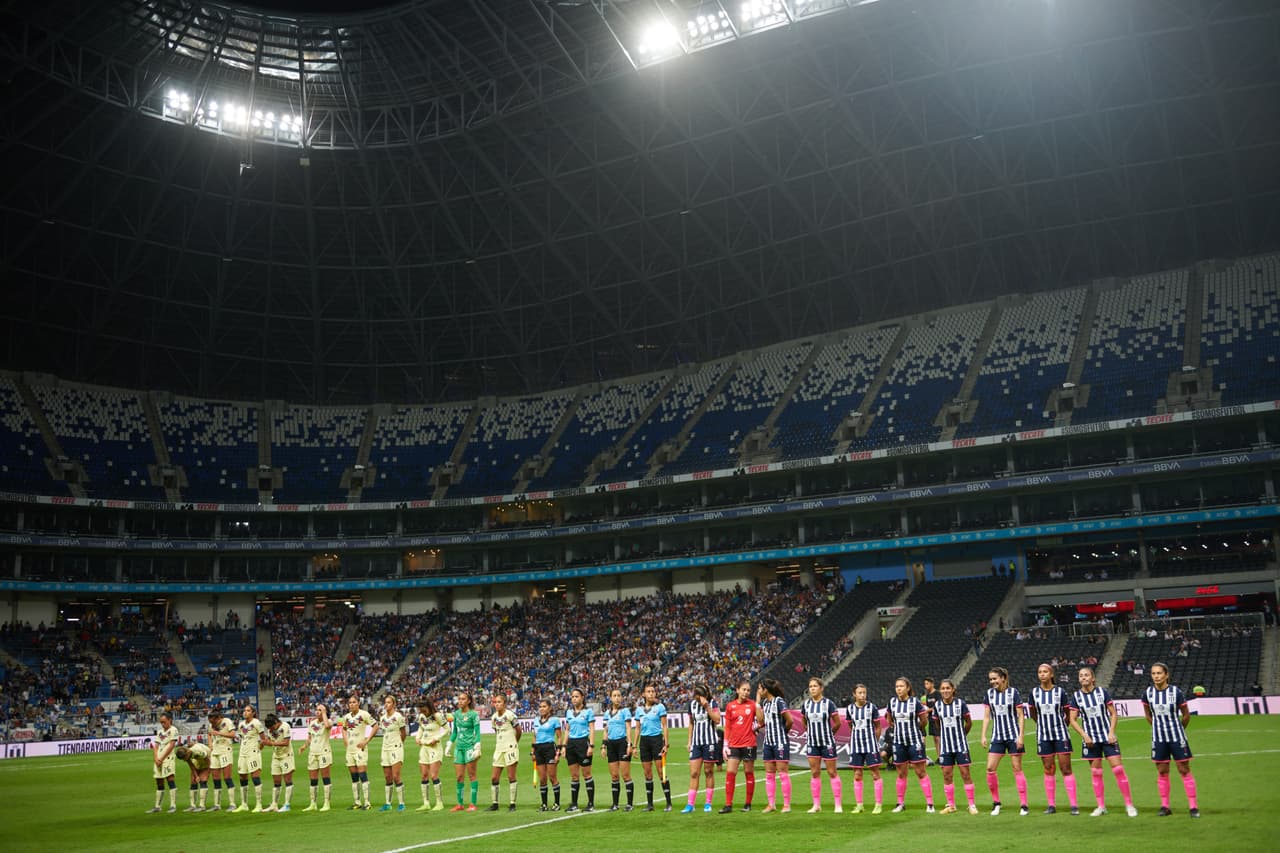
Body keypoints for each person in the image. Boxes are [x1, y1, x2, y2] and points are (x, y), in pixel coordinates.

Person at [1068, 666, 1136, 817]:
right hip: (1090, 740)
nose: (1083, 677)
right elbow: (1072, 719)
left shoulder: (1102, 692)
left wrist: (1111, 732)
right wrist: (1084, 736)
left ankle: (1129, 805)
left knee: (1118, 769)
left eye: (1086, 675)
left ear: (1093, 678)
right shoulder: (1076, 697)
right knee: (1096, 773)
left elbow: (1113, 713)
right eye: (1081, 675)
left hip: (1107, 738)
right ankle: (1101, 806)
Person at [1142, 662, 1200, 818]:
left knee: (1184, 769)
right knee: (1162, 771)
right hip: (1159, 738)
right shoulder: (1148, 693)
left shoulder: (1176, 692)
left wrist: (1179, 729)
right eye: (1153, 673)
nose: (1156, 676)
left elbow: (1186, 715)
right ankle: (1165, 806)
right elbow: (1147, 714)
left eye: (1159, 673)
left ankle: (1193, 807)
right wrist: (1156, 727)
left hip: (1176, 737)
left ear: (1166, 675)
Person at [1030, 663, 1078, 815]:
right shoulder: (1034, 693)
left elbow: (1067, 712)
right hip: (1043, 736)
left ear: (1051, 674)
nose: (1042, 674)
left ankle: (1074, 805)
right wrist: (1042, 725)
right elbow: (1033, 713)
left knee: (1066, 768)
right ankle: (1051, 805)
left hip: (1060, 734)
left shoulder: (1060, 692)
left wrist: (1062, 726)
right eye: (1040, 672)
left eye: (1045, 671)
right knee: (1048, 769)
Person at [980, 666, 1029, 816]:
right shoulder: (989, 694)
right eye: (990, 679)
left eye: (995, 678)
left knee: (1016, 768)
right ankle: (996, 803)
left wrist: (1021, 736)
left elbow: (1020, 715)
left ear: (1003, 678)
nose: (992, 681)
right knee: (990, 768)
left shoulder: (1013, 693)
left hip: (1013, 735)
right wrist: (983, 735)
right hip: (997, 737)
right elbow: (987, 716)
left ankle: (1024, 804)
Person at [887, 677, 934, 813]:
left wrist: (913, 730)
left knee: (920, 772)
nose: (899, 689)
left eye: (901, 686)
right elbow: (889, 719)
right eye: (897, 686)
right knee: (901, 773)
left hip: (914, 741)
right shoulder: (892, 702)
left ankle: (930, 803)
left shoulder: (915, 702)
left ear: (908, 688)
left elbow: (924, 721)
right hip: (898, 742)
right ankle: (900, 803)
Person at [932, 678, 977, 814]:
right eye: (943, 688)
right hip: (945, 747)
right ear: (940, 691)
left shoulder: (960, 704)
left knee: (965, 774)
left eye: (948, 688)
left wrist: (962, 735)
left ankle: (971, 804)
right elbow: (937, 723)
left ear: (953, 690)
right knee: (946, 775)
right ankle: (951, 805)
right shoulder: (937, 706)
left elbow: (968, 722)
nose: (945, 690)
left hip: (960, 745)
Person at [801, 676, 843, 813]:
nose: (812, 688)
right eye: (811, 686)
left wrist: (829, 734)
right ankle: (816, 805)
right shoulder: (806, 705)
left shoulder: (828, 704)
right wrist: (810, 731)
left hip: (827, 742)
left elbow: (837, 723)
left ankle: (837, 804)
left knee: (832, 772)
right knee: (814, 772)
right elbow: (804, 721)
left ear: (821, 688)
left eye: (815, 686)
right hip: (812, 743)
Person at [845, 683, 884, 814]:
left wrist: (875, 741)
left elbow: (878, 726)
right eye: (860, 693)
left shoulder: (872, 707)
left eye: (864, 693)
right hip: (856, 745)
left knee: (875, 774)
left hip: (870, 744)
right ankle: (859, 805)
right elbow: (851, 726)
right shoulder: (850, 709)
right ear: (854, 694)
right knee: (857, 775)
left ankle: (878, 804)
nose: (862, 695)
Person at [683, 682, 722, 813]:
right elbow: (691, 724)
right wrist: (689, 741)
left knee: (708, 772)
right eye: (697, 697)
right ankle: (690, 805)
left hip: (709, 742)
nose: (698, 699)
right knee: (694, 773)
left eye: (700, 696)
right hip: (696, 742)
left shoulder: (713, 703)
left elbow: (717, 720)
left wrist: (707, 707)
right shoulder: (692, 705)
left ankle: (708, 803)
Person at [722, 679, 760, 813]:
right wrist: (725, 745)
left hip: (749, 744)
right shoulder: (730, 706)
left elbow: (762, 720)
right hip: (734, 745)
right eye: (744, 689)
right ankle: (728, 805)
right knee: (730, 773)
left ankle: (748, 804)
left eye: (748, 690)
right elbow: (727, 726)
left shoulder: (753, 705)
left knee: (749, 773)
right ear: (737, 690)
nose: (746, 692)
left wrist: (757, 726)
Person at [757, 678, 792, 813]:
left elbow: (790, 721)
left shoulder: (779, 701)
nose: (759, 691)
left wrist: (782, 734)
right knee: (769, 774)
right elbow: (761, 720)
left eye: (760, 688)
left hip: (779, 742)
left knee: (783, 773)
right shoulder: (765, 703)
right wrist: (757, 702)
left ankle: (786, 805)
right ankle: (771, 804)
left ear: (766, 689)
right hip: (768, 742)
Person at [637, 682, 673, 812]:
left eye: (653, 691)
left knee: (661, 772)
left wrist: (666, 744)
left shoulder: (660, 707)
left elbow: (664, 726)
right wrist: (634, 746)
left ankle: (668, 803)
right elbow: (637, 728)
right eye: (649, 692)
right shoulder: (639, 710)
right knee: (647, 773)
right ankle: (650, 804)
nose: (651, 694)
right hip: (644, 742)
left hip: (657, 740)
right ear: (644, 694)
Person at [602, 688, 636, 811]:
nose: (617, 698)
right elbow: (605, 731)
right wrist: (603, 746)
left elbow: (628, 728)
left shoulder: (625, 711)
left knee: (626, 775)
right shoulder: (606, 714)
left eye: (619, 695)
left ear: (621, 698)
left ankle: (629, 804)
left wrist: (629, 744)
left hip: (622, 743)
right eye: (614, 695)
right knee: (614, 776)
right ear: (610, 698)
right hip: (611, 744)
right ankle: (615, 804)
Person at [564, 687, 596, 812]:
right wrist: (563, 746)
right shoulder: (568, 713)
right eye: (572, 697)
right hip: (571, 744)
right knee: (574, 776)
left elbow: (592, 729)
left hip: (583, 743)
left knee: (586, 774)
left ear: (582, 698)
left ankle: (591, 803)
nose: (574, 699)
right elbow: (567, 729)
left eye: (577, 696)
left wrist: (591, 745)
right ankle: (574, 804)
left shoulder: (588, 712)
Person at [341, 695, 375, 810]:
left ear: (358, 703)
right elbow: (344, 729)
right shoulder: (346, 717)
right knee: (354, 777)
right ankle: (357, 802)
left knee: (362, 775)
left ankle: (367, 802)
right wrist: (345, 739)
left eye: (354, 702)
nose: (351, 704)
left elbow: (375, 726)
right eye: (350, 702)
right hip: (349, 750)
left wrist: (367, 740)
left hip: (360, 749)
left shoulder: (364, 714)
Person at [449, 690, 482, 811]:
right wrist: (449, 744)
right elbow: (455, 732)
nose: (460, 701)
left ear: (468, 701)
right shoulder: (456, 714)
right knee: (459, 776)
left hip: (469, 747)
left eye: (463, 699)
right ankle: (460, 804)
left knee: (472, 775)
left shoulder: (474, 715)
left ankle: (473, 804)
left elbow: (477, 732)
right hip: (459, 748)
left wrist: (477, 746)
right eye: (459, 699)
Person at [415, 697, 449, 811]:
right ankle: (426, 803)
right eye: (420, 710)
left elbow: (447, 729)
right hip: (424, 747)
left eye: (423, 709)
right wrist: (417, 737)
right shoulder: (421, 717)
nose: (422, 712)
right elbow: (421, 727)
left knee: (433, 775)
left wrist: (437, 738)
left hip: (435, 747)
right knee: (424, 775)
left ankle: (439, 803)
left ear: (428, 707)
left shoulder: (437, 716)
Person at [375, 695, 408, 811]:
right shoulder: (382, 718)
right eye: (385, 702)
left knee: (396, 776)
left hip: (396, 748)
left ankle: (401, 803)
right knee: (387, 777)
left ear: (394, 704)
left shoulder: (398, 717)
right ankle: (388, 803)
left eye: (388, 702)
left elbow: (403, 733)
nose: (386, 704)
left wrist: (399, 744)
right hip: (385, 749)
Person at [488, 693, 521, 812]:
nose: (497, 704)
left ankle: (512, 804)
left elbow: (518, 730)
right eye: (495, 702)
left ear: (504, 703)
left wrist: (514, 743)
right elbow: (496, 731)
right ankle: (495, 803)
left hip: (510, 747)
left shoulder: (510, 715)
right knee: (494, 777)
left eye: (499, 702)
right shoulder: (493, 717)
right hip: (499, 748)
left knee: (511, 776)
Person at [298, 701, 333, 811]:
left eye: (320, 710)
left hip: (324, 752)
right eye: (317, 710)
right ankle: (313, 803)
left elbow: (327, 726)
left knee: (325, 778)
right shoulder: (312, 723)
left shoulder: (329, 721)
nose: (318, 712)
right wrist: (304, 746)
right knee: (313, 779)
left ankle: (327, 803)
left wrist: (324, 713)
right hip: (313, 753)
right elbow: (310, 737)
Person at [532, 698, 564, 811]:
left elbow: (560, 737)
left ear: (550, 708)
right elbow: (535, 736)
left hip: (550, 748)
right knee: (542, 778)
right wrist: (533, 751)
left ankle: (557, 803)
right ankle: (544, 804)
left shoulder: (555, 720)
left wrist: (558, 752)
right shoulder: (536, 720)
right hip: (539, 749)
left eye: (544, 706)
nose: (542, 708)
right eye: (540, 706)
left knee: (552, 777)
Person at [235, 704, 267, 812]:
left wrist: (259, 749)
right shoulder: (241, 724)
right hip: (242, 753)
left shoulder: (256, 723)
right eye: (244, 710)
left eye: (248, 711)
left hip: (253, 753)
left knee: (255, 777)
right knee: (242, 777)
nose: (245, 712)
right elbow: (242, 737)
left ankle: (259, 804)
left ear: (253, 713)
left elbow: (263, 739)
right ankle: (244, 804)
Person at [261, 713, 295, 813]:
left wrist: (271, 743)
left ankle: (287, 805)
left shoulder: (285, 726)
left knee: (288, 780)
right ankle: (274, 805)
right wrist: (263, 743)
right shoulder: (270, 729)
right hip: (276, 756)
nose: (271, 730)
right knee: (276, 781)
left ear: (276, 722)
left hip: (286, 756)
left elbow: (286, 743)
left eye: (272, 727)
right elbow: (269, 740)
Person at [206, 708, 238, 811]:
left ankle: (232, 804)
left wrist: (219, 733)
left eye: (213, 721)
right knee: (215, 779)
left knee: (227, 777)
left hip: (225, 751)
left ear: (219, 718)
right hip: (215, 752)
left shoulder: (227, 721)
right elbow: (209, 734)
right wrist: (210, 744)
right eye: (210, 722)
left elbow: (233, 735)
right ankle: (217, 805)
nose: (212, 724)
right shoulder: (211, 725)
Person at [147, 711, 179, 814]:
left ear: (170, 720)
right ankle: (157, 806)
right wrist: (156, 758)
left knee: (170, 780)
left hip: (168, 758)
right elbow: (156, 746)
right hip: (158, 760)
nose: (162, 724)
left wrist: (162, 758)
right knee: (159, 782)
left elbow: (171, 746)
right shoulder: (160, 732)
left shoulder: (173, 730)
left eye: (164, 722)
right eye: (161, 722)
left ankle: (173, 805)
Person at [174, 741, 211, 812]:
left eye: (184, 758)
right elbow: (191, 765)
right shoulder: (186, 755)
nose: (184, 760)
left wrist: (208, 773)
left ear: (187, 753)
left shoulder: (198, 751)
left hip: (207, 760)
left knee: (203, 781)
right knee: (193, 781)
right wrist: (196, 776)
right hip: (198, 762)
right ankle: (192, 806)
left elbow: (208, 761)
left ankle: (202, 806)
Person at [922, 676, 942, 761]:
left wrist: (928, 710)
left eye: (927, 683)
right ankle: (939, 756)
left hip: (937, 718)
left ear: (932, 684)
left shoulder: (937, 693)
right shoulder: (927, 696)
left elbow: (939, 705)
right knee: (935, 738)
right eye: (925, 684)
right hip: (930, 718)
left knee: (938, 737)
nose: (926, 685)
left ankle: (942, 755)